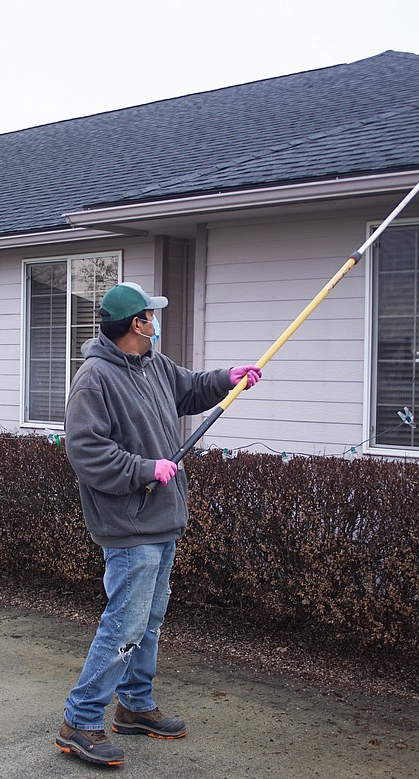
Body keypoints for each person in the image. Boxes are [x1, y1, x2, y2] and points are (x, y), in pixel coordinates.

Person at [54, 281, 261, 767]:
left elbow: (189, 389)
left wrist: (229, 377)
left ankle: (135, 706)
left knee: (147, 620)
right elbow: (85, 452)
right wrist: (143, 470)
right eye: (150, 315)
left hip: (162, 518)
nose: (155, 321)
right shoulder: (95, 378)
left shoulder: (152, 366)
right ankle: (80, 721)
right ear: (135, 325)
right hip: (129, 523)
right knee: (124, 622)